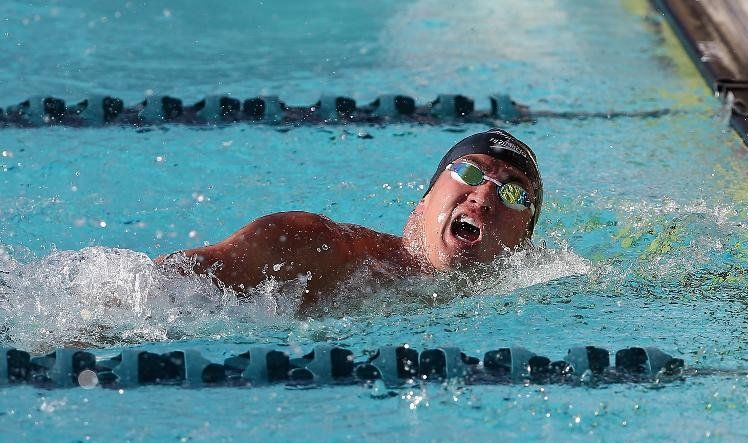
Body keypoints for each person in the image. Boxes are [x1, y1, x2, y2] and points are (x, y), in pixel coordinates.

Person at [155, 128, 543, 309]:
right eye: (469, 173)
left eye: (514, 193)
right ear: (424, 201)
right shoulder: (317, 247)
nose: (484, 194)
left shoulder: (531, 295)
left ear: (523, 243)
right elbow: (149, 290)